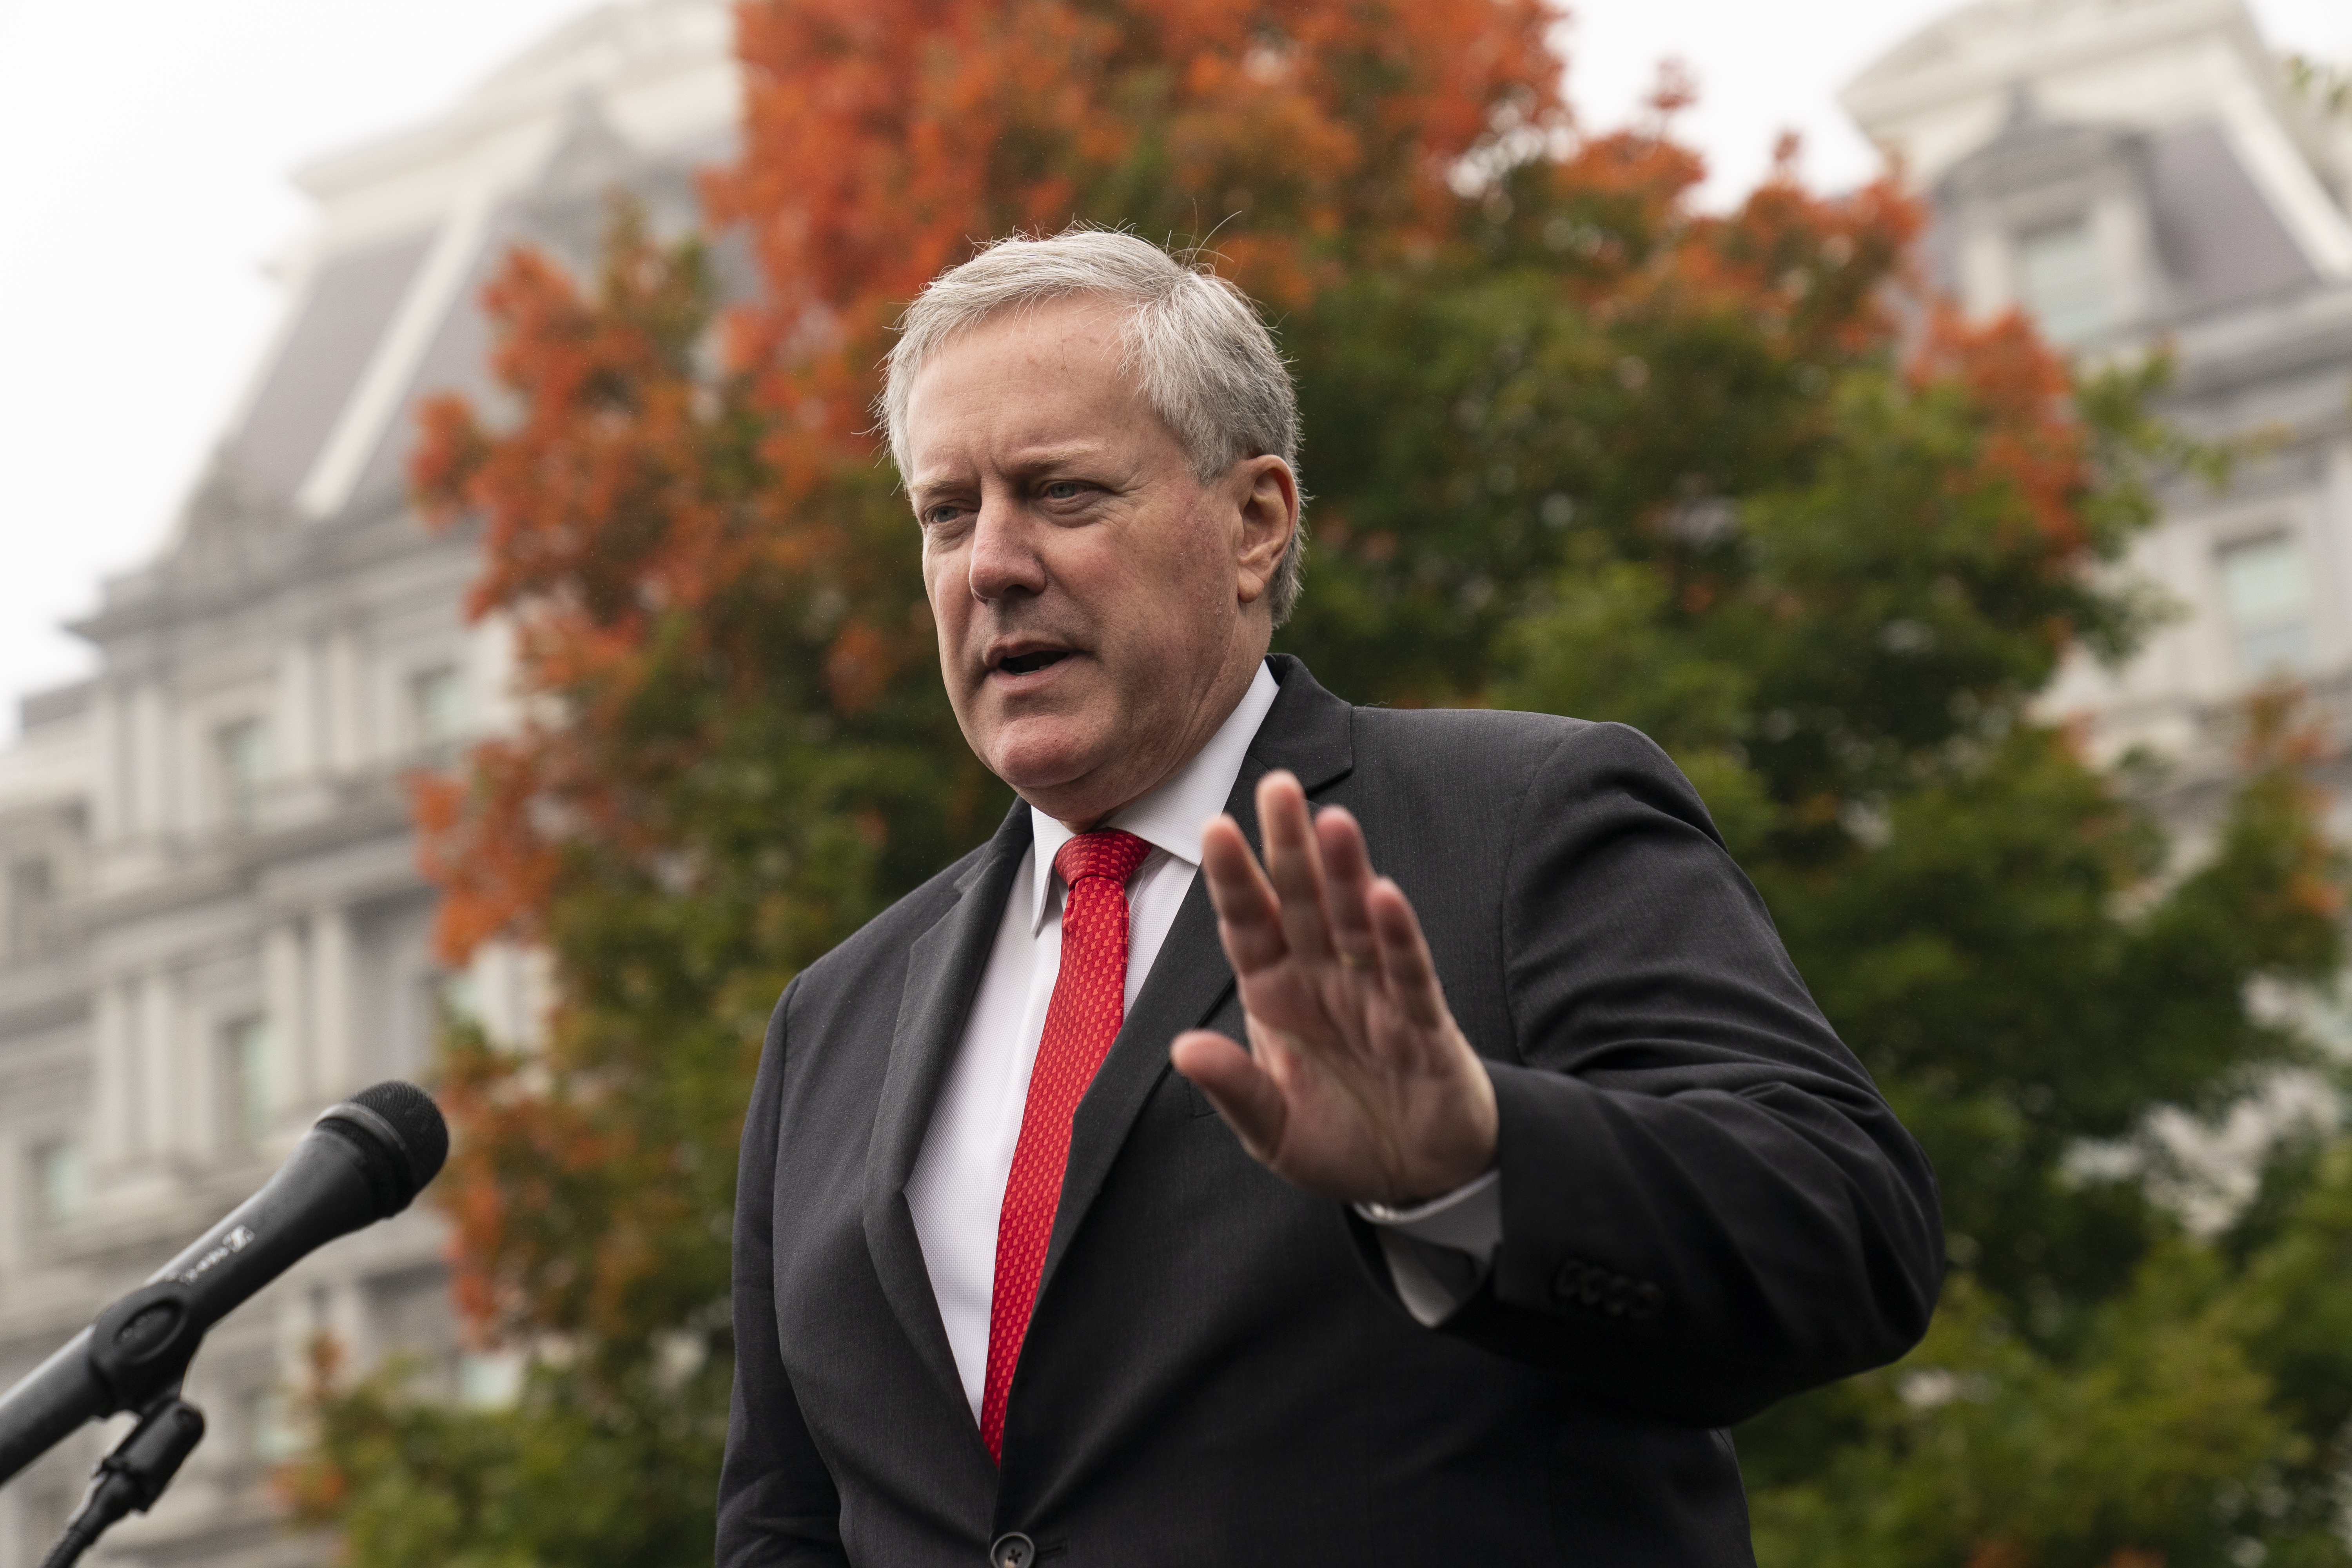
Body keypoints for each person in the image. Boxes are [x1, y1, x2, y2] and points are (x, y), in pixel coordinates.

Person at [716, 229, 1942, 1568]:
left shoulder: (1520, 823)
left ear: (1255, 524)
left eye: (1061, 494)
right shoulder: (831, 1019)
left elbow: (1847, 1231)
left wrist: (1475, 1168)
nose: (990, 565)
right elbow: (788, 1520)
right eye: (948, 514)